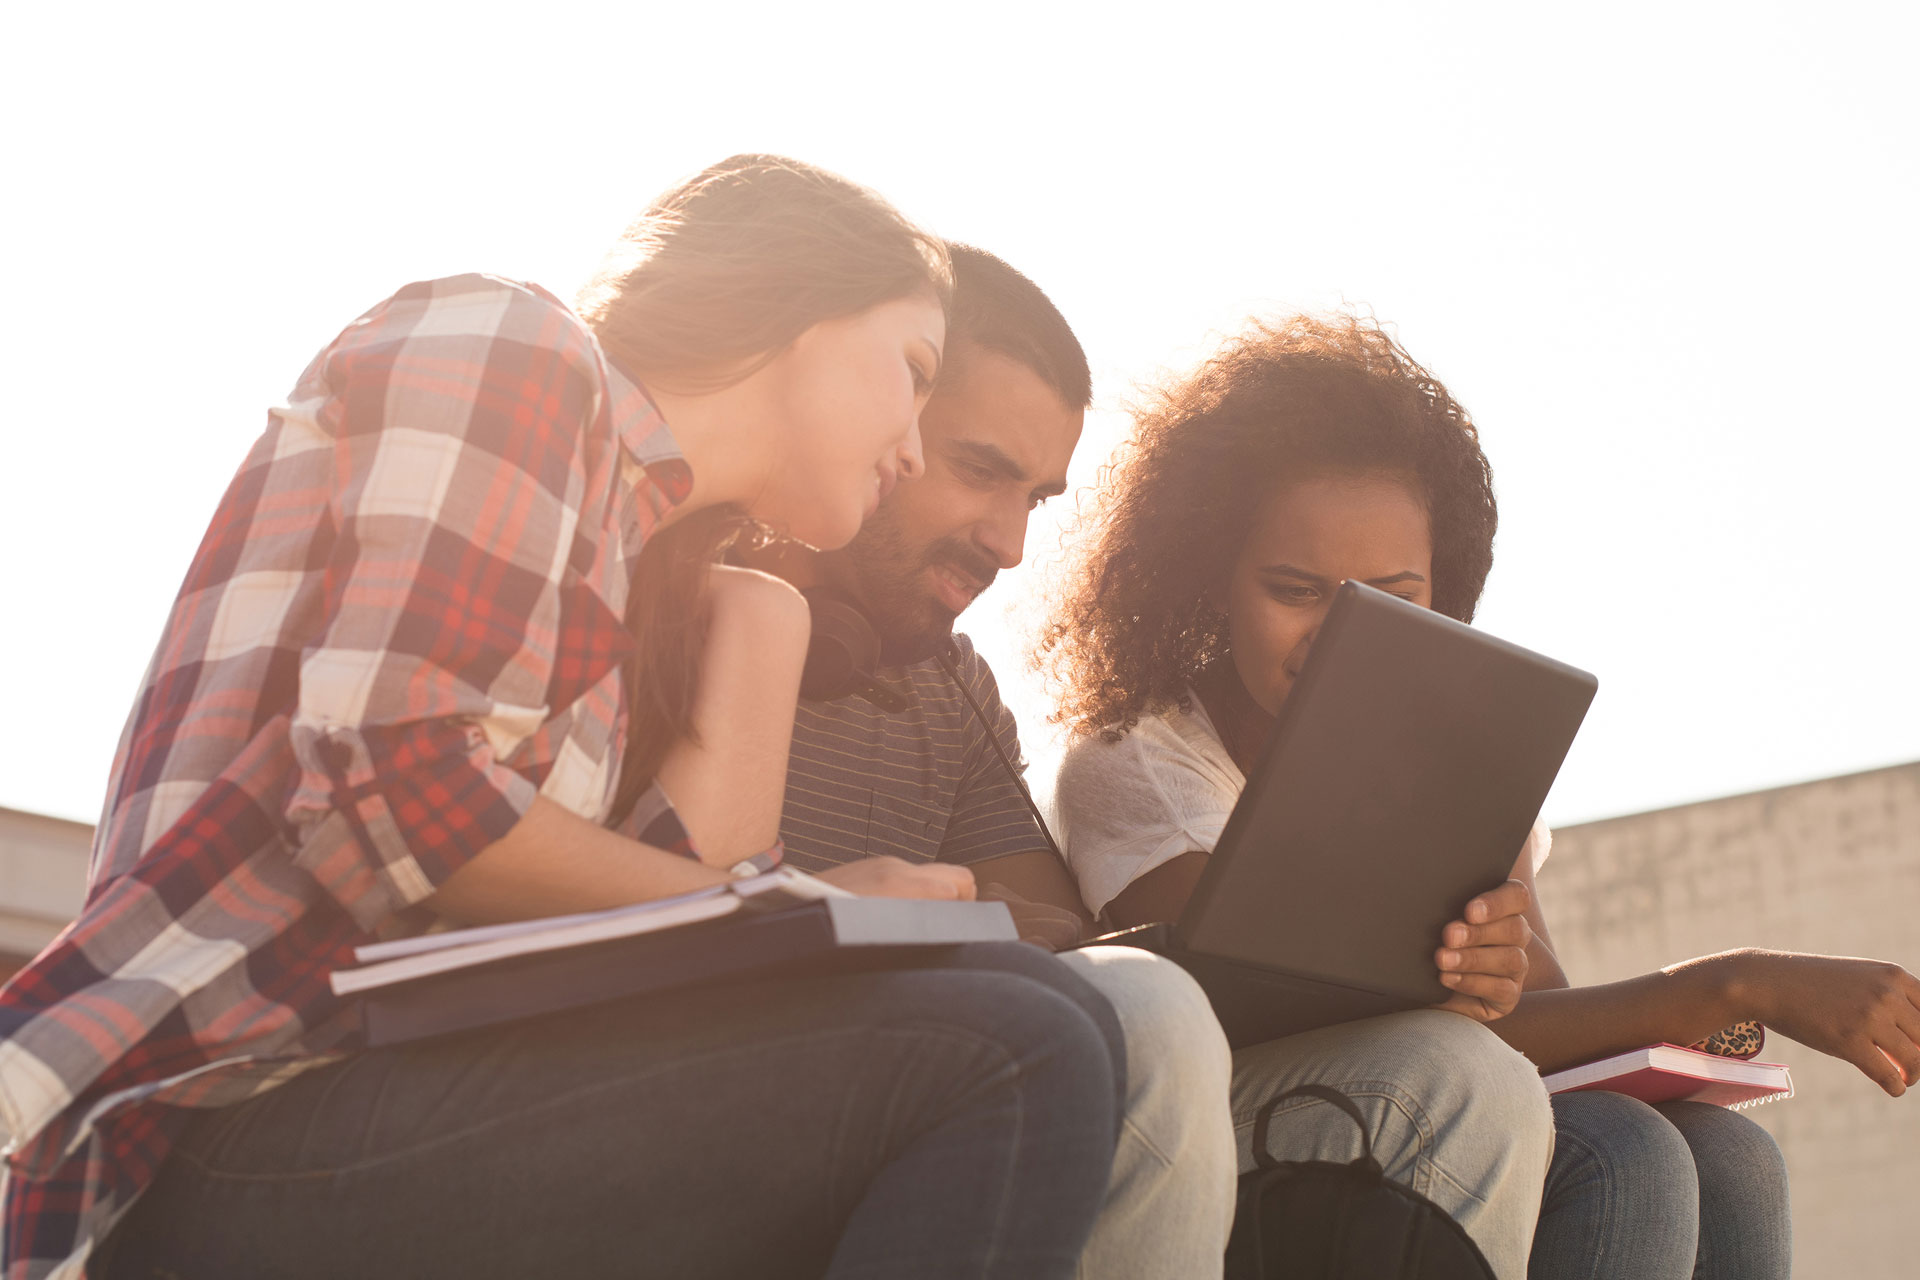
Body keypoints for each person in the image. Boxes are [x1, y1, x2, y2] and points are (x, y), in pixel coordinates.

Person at [0, 156, 1128, 1280]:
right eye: (914, 372)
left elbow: (660, 959)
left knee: (1045, 1012)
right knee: (1010, 1043)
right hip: (230, 1107)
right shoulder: (512, 348)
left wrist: (757, 621)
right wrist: (814, 909)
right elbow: (392, 794)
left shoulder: (628, 577)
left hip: (398, 1096)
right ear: (802, 316)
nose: (916, 445)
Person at [1041, 312, 1920, 1280]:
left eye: (1389, 595)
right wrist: (1736, 982)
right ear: (1208, 580)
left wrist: (1518, 977)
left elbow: (1535, 1020)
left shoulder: (1456, 757)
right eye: (1294, 588)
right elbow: (1238, 1001)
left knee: (1727, 1152)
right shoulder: (1145, 758)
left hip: (1452, 1099)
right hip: (1245, 1139)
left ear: (1442, 590)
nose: (1336, 638)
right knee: (1620, 1150)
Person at [743, 248, 1553, 1280]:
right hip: (788, 1095)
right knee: (1155, 1017)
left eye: (1035, 498)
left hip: (964, 1075)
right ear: (878, 429)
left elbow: (1064, 938)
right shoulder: (702, 610)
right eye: (979, 468)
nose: (1008, 543)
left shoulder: (953, 689)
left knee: (1467, 1077)